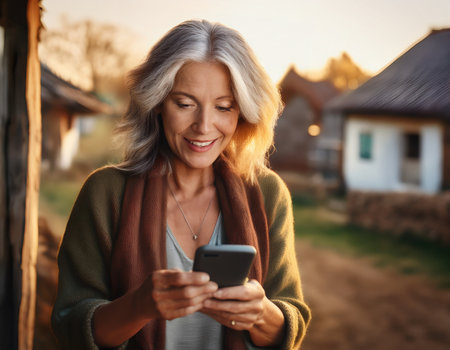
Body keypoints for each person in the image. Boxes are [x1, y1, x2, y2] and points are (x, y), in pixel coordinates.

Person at [51, 19, 311, 350]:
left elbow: (292, 323)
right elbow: (70, 326)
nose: (204, 126)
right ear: (158, 102)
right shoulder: (105, 193)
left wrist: (260, 313)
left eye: (223, 107)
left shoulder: (268, 193)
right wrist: (139, 306)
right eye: (185, 103)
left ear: (243, 112)